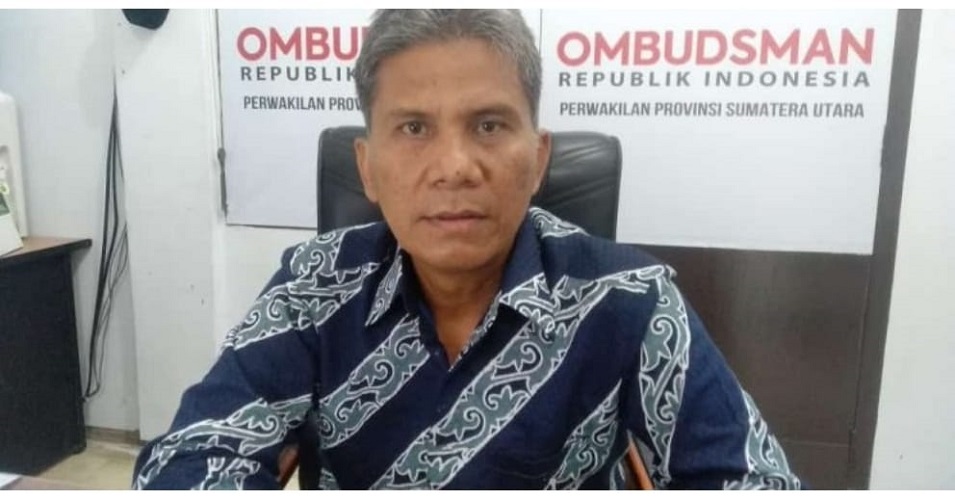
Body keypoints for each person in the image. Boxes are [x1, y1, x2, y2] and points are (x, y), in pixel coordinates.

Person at [132, 9, 802, 490]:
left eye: (487, 125)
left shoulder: (629, 299)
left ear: (537, 159)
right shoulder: (313, 285)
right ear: (366, 169)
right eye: (413, 128)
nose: (454, 166)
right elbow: (193, 454)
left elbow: (752, 480)